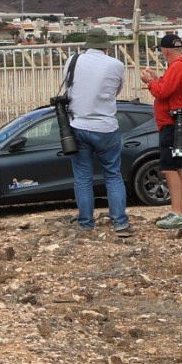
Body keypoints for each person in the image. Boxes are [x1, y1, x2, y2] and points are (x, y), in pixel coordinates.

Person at [66, 29, 131, 235]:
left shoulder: (72, 61)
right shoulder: (116, 65)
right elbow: (117, 91)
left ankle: (86, 223)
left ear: (87, 44)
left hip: (78, 125)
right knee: (112, 174)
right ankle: (120, 222)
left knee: (83, 177)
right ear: (106, 46)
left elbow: (68, 89)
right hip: (106, 127)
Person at [142, 32, 182, 229]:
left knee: (170, 168)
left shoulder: (177, 66)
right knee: (178, 167)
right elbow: (168, 87)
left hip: (173, 123)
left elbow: (162, 92)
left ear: (165, 50)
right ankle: (181, 211)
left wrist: (150, 83)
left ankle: (177, 212)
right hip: (180, 123)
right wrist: (158, 79)